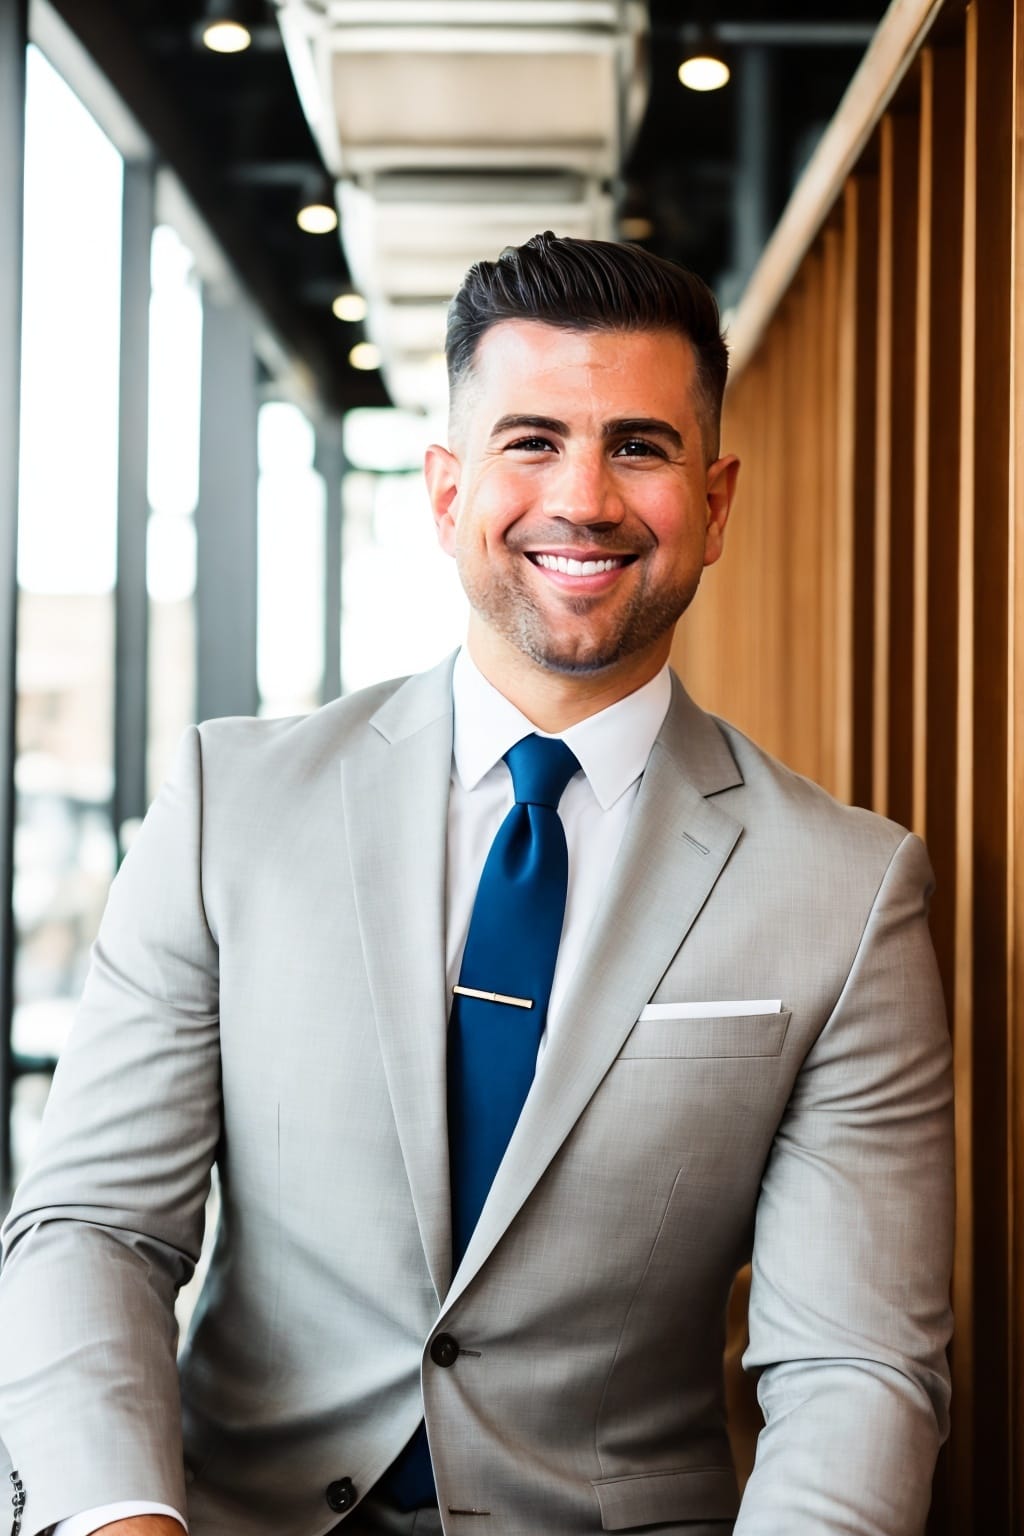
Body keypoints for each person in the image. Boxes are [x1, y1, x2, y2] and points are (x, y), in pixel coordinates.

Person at [0, 232, 954, 1536]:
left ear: (716, 502)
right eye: (531, 441)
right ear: (445, 492)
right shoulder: (234, 804)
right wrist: (122, 1521)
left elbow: (856, 1367)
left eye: (640, 446)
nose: (585, 497)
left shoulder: (846, 890)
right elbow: (94, 1228)